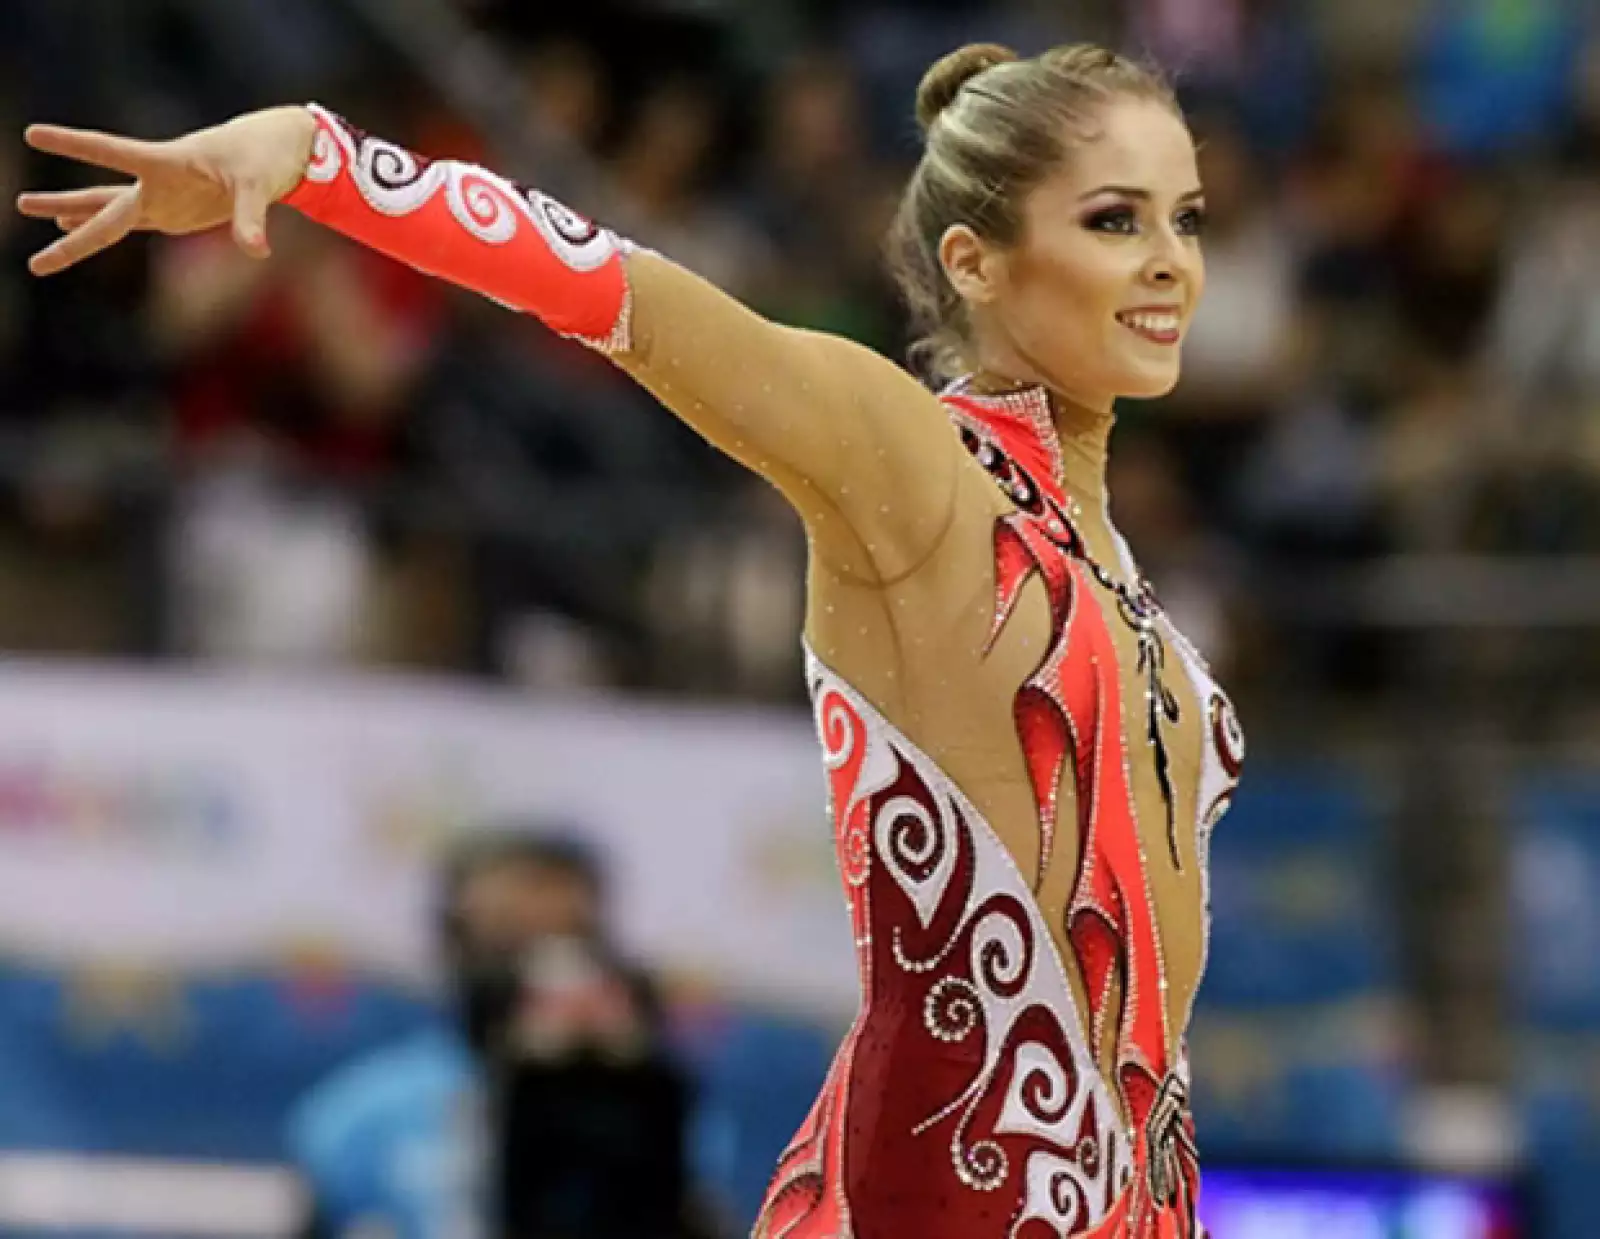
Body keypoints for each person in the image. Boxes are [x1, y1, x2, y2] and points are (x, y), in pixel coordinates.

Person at [17, 38, 1247, 1239]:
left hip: (1135, 1197)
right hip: (943, 1187)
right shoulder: (914, 461)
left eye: (1184, 220)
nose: (1168, 265)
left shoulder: (1125, 579)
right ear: (974, 263)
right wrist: (312, 157)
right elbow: (618, 294)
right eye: (1113, 221)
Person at [286, 830, 692, 1239]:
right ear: (455, 936)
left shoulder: (658, 1103)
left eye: (567, 934)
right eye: (510, 932)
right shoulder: (362, 1112)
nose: (539, 963)